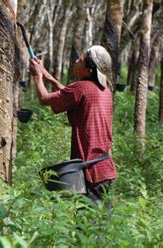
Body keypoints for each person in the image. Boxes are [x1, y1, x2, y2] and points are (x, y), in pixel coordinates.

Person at [29, 45, 116, 204]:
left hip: (90, 172)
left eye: (81, 60)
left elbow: (44, 99)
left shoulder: (80, 88)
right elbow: (70, 94)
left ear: (89, 70)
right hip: (105, 169)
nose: (76, 61)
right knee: (102, 223)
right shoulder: (105, 91)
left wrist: (37, 77)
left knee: (87, 224)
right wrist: (47, 76)